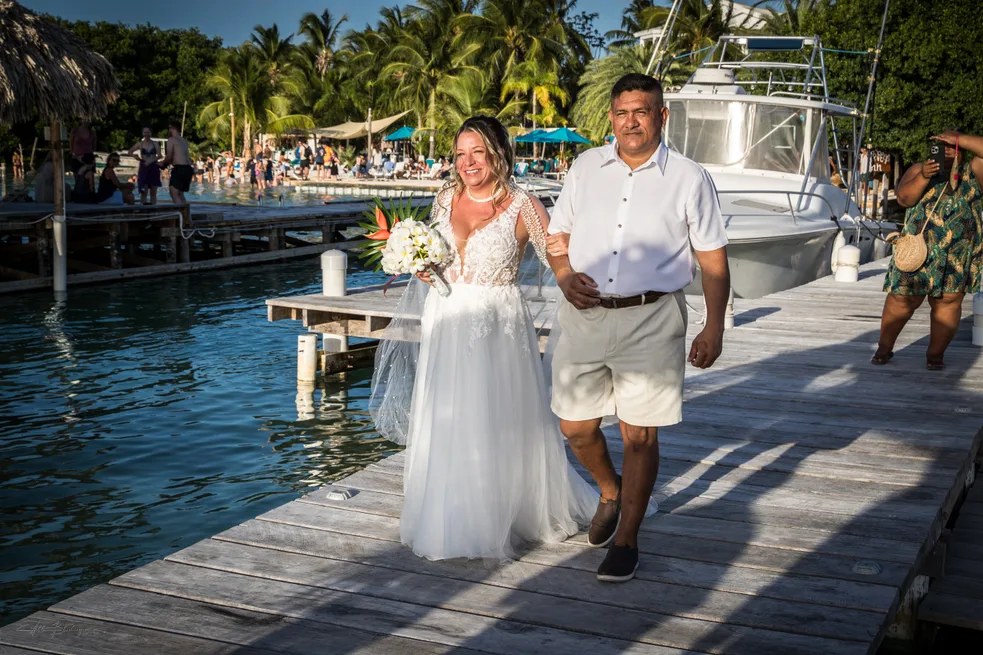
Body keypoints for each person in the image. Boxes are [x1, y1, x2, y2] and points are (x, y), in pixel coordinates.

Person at [370, 116, 598, 561]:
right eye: (461, 154)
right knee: (447, 411)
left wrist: (572, 278)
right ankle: (448, 509)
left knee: (495, 412)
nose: (468, 162)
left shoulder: (523, 205)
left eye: (477, 152)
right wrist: (420, 265)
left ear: (498, 153)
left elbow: (555, 254)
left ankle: (501, 511)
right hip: (445, 315)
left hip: (497, 322)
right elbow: (435, 254)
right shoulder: (444, 197)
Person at [545, 73, 730, 582]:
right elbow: (557, 236)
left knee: (640, 435)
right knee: (575, 427)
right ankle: (610, 490)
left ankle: (627, 537)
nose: (631, 122)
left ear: (661, 116)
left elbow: (713, 260)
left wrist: (714, 327)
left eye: (641, 112)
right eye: (622, 112)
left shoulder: (690, 178)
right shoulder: (585, 167)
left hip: (653, 317)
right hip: (584, 314)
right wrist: (563, 275)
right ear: (611, 117)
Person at [873, 130, 983, 370]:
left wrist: (958, 138)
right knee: (902, 298)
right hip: (916, 249)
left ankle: (935, 355)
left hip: (957, 253)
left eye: (952, 146)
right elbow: (904, 199)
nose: (947, 151)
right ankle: (884, 347)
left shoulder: (974, 171)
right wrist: (924, 175)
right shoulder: (917, 169)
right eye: (941, 146)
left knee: (948, 301)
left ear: (962, 149)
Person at [158, 120, 194, 205]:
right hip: (188, 169)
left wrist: (162, 163)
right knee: (180, 194)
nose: (169, 131)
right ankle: (185, 211)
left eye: (169, 129)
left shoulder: (171, 139)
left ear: (172, 129)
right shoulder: (183, 140)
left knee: (173, 192)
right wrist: (165, 163)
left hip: (179, 168)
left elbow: (169, 156)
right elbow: (179, 157)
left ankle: (181, 211)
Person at [127, 127, 162, 205]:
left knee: (153, 192)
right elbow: (130, 151)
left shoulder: (155, 143)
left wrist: (150, 161)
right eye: (145, 132)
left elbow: (160, 155)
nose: (146, 134)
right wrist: (135, 156)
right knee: (143, 192)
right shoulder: (140, 144)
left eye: (148, 132)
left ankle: (153, 208)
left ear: (151, 133)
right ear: (142, 133)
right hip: (144, 167)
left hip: (153, 166)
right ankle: (142, 208)